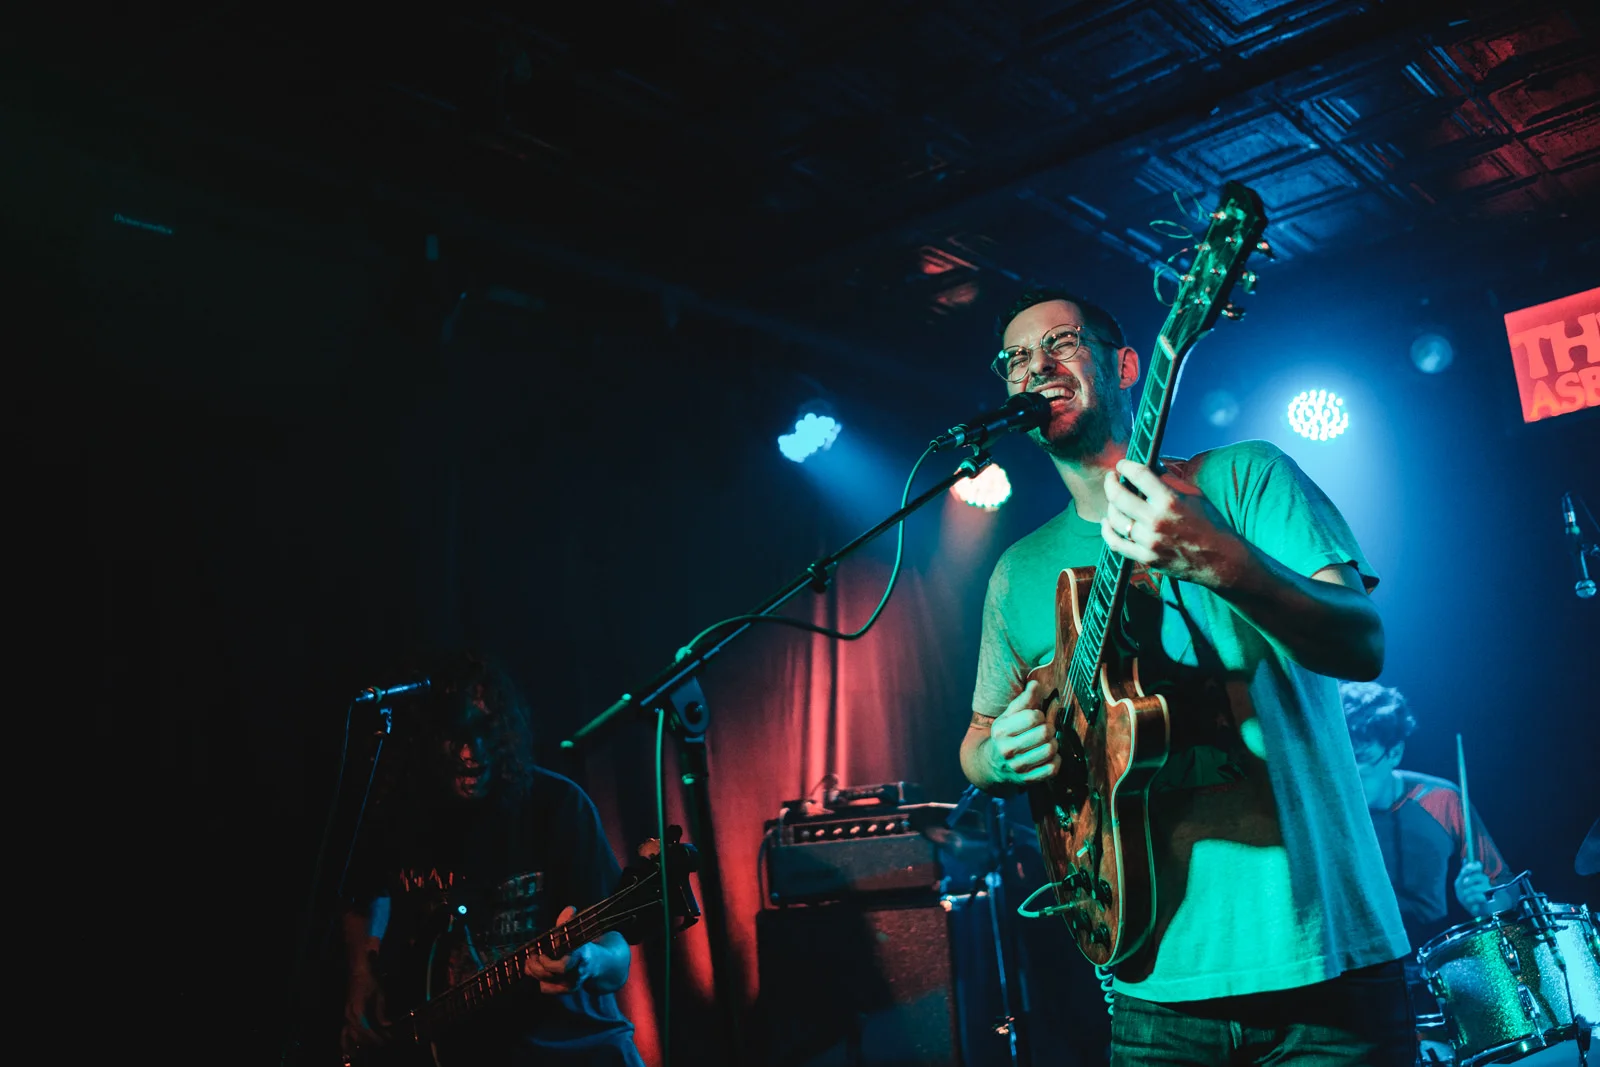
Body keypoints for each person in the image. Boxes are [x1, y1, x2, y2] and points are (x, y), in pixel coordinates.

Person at [958, 289, 1413, 1067]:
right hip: (1151, 992)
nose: (1036, 366)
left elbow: (1362, 643)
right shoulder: (1017, 572)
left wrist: (1223, 561)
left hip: (1325, 973)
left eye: (1061, 342)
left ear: (1127, 365)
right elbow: (975, 740)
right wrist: (1000, 755)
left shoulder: (1246, 477)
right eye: (1016, 358)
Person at [339, 652, 645, 1066]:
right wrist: (362, 973)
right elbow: (364, 893)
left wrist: (588, 963)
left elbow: (617, 954)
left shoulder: (556, 806)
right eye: (455, 733)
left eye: (485, 730)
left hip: (573, 1050)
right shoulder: (401, 813)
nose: (471, 752)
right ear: (426, 736)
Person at [1340, 681, 1510, 947]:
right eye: (1340, 759)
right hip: (1353, 957)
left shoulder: (1441, 799)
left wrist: (1484, 902)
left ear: (1395, 753)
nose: (1346, 776)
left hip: (1430, 954)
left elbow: (1504, 887)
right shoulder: (1323, 808)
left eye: (1360, 759)